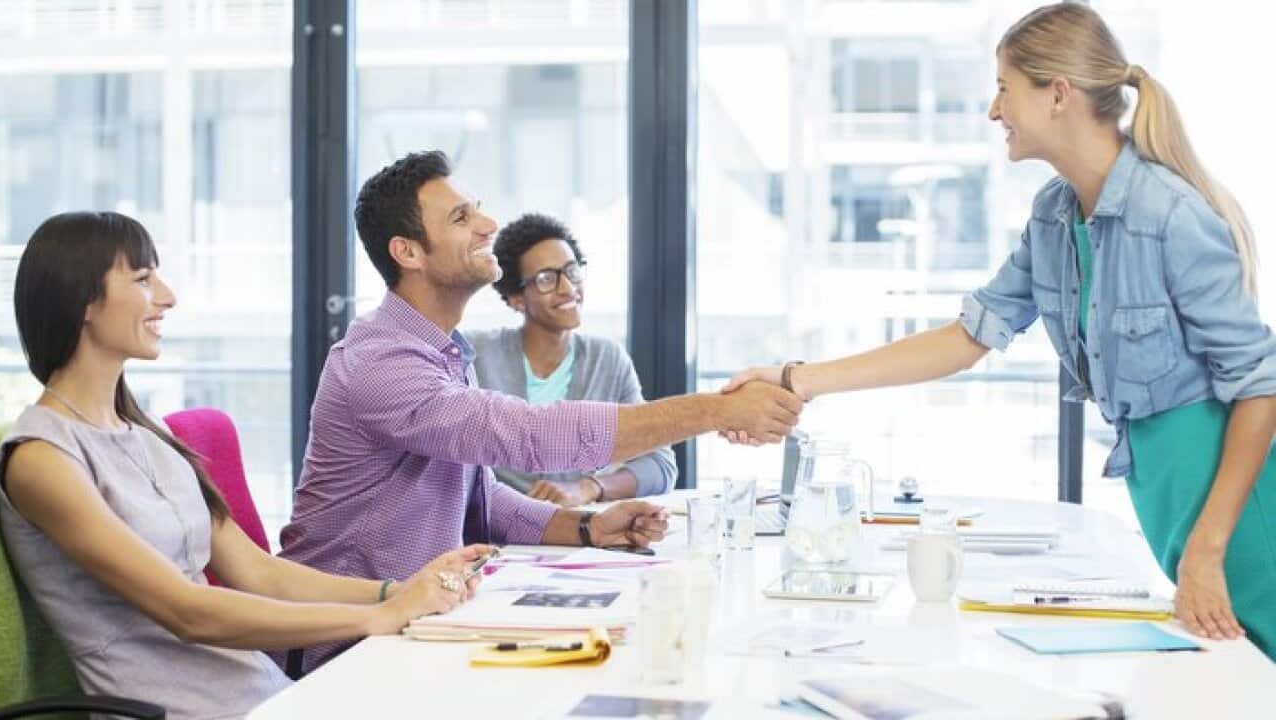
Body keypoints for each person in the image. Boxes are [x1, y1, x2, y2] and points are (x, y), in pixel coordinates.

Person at [726, 2, 1276, 659]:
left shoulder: (1170, 214)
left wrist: (1211, 545)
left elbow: (1260, 385)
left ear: (1058, 95)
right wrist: (798, 379)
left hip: (1234, 505)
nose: (993, 112)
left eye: (1004, 89)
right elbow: (968, 337)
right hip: (1163, 489)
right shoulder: (1054, 216)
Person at [279, 150, 802, 670]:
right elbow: (525, 435)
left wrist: (585, 528)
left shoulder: (443, 350)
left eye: (477, 208)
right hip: (347, 642)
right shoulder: (379, 360)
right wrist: (715, 411)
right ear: (408, 252)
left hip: (421, 618)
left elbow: (480, 498)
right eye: (462, 218)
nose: (488, 225)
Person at [0, 212, 490, 720]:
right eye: (143, 279)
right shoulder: (41, 459)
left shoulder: (148, 435)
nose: (167, 296)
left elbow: (258, 572)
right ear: (82, 301)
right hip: (179, 710)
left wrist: (398, 591)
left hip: (259, 694)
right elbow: (187, 612)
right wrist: (381, 617)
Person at [468, 213, 677, 506]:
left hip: (582, 534)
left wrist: (591, 487)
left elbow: (660, 464)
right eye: (546, 279)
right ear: (516, 297)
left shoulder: (607, 358)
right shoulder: (477, 355)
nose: (567, 288)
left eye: (571, 271)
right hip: (500, 535)